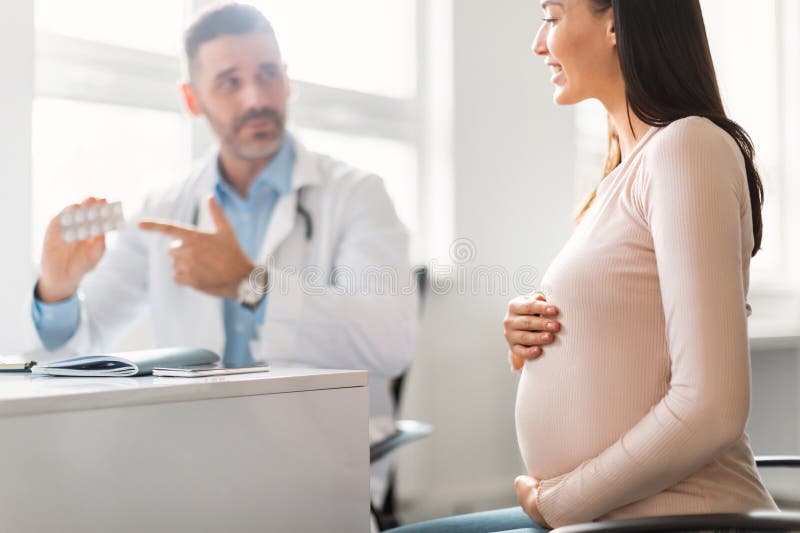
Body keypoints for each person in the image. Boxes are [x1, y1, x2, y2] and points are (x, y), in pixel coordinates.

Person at [391, 0, 776, 531]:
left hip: (675, 516)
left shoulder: (688, 147)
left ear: (615, 19)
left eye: (551, 16)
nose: (538, 42)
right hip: (613, 517)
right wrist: (540, 334)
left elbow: (712, 409)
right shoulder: (626, 171)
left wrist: (561, 502)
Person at [26, 3, 417, 507]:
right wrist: (57, 290)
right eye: (230, 82)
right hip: (196, 455)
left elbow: (390, 341)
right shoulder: (165, 206)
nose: (256, 97)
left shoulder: (358, 194)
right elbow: (82, 344)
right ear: (192, 99)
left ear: (288, 80)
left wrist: (250, 284)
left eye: (268, 74)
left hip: (318, 458)